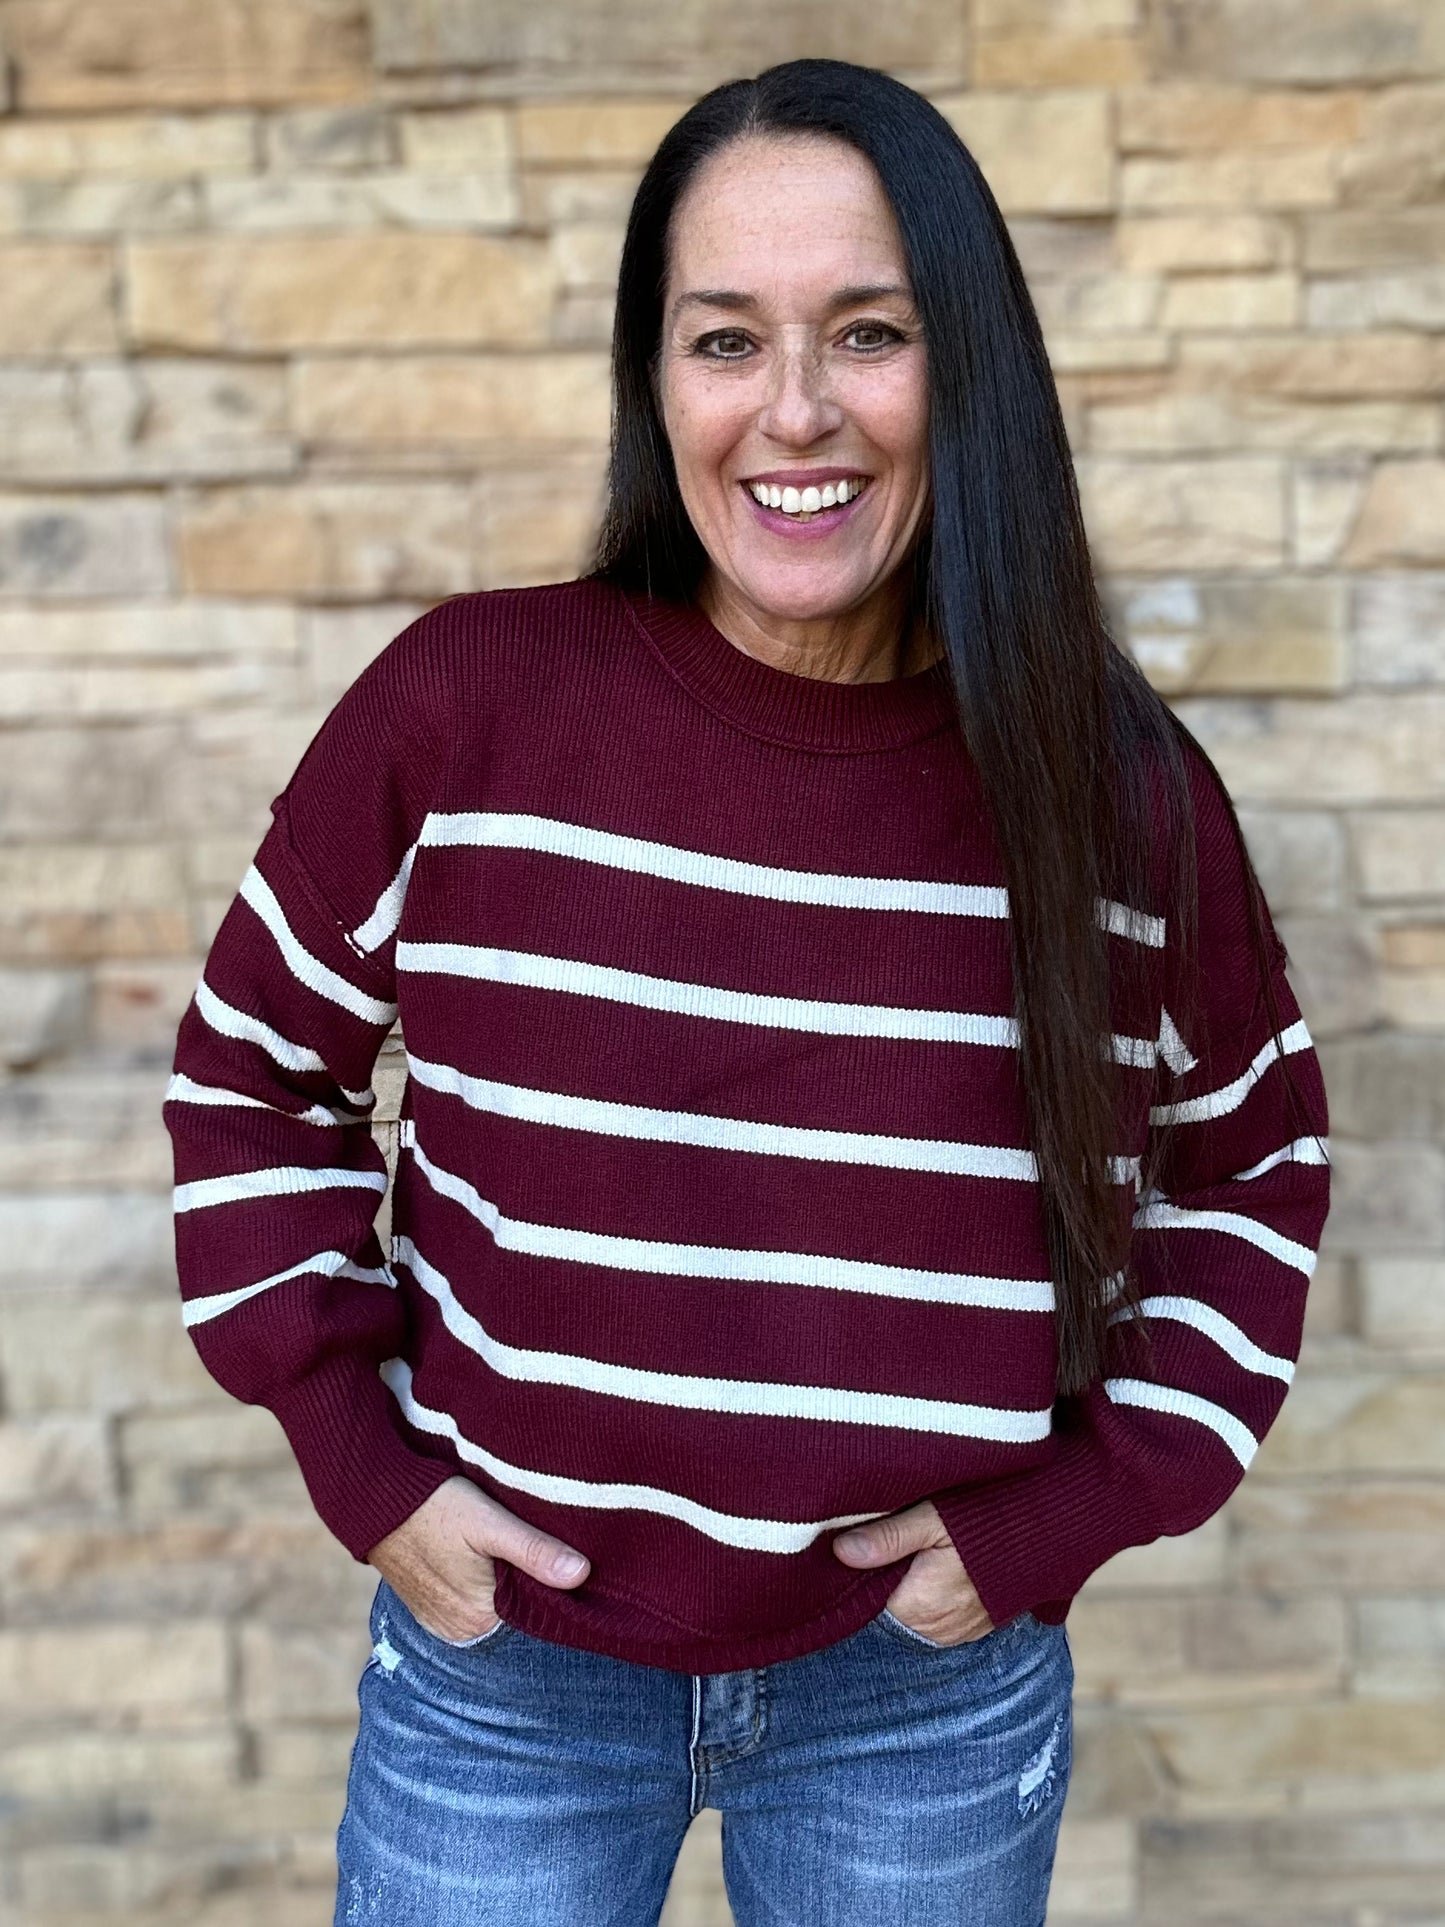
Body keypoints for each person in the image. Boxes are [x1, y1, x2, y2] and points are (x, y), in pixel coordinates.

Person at [162, 57, 1331, 1927]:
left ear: (968, 367)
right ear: (657, 381)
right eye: (724, 342)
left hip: (918, 1699)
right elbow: (248, 1078)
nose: (795, 410)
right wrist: (355, 1454)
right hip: (508, 1678)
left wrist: (1061, 1516)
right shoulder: (469, 710)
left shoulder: (1108, 788)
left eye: (867, 333)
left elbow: (1252, 1168)